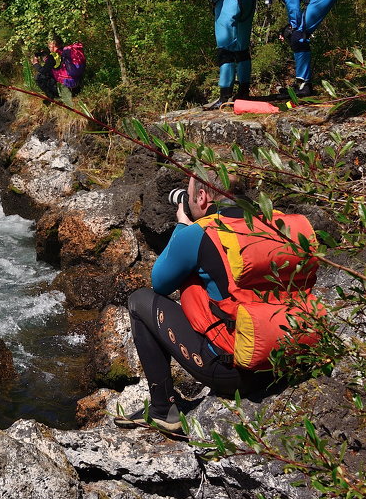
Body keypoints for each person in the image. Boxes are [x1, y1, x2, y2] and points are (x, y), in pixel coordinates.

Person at [113, 167, 320, 436]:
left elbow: (160, 284)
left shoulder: (200, 232)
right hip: (289, 360)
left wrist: (181, 228)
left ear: (201, 197)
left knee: (140, 300)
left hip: (234, 373)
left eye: (188, 197)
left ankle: (163, 409)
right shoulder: (276, 223)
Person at [31, 34, 84, 98]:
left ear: (53, 44)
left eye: (49, 45)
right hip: (77, 87)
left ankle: (52, 97)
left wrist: (35, 63)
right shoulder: (64, 51)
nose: (48, 46)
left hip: (67, 90)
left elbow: (43, 70)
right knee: (51, 73)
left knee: (39, 77)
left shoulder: (53, 56)